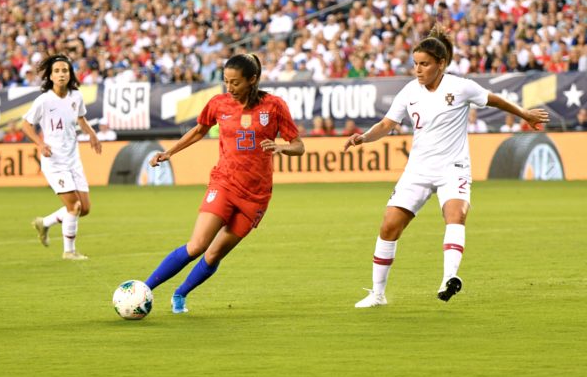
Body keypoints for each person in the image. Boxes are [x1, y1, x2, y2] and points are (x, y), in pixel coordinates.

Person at [344, 25, 549, 307]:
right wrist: (363, 138)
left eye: (424, 64)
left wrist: (524, 114)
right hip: (418, 170)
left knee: (455, 215)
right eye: (416, 64)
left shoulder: (460, 86)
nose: (418, 70)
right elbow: (387, 124)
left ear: (441, 64)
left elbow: (493, 99)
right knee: (389, 226)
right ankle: (377, 294)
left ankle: (448, 279)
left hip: (453, 168)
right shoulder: (409, 91)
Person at [143, 53, 305, 314]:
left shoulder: (274, 106)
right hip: (224, 184)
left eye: (235, 82)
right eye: (226, 81)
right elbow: (199, 130)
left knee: (214, 254)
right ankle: (143, 289)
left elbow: (299, 146)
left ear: (252, 80)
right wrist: (170, 152)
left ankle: (180, 294)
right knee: (198, 245)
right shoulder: (218, 103)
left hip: (256, 196)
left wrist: (281, 147)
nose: (229, 88)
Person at [22, 54, 102, 260]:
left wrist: (92, 134)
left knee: (84, 208)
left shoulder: (76, 96)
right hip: (54, 161)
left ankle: (44, 222)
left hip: (73, 159)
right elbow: (26, 125)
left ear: (70, 74)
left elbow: (81, 118)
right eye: (56, 71)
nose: (61, 74)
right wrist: (40, 144)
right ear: (50, 76)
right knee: (74, 207)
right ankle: (69, 251)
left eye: (64, 70)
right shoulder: (44, 100)